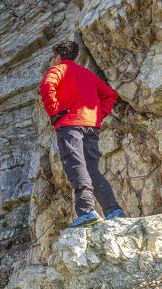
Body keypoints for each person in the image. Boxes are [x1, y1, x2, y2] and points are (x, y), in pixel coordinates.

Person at [40, 40, 126, 228]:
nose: (50, 62)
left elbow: (47, 87)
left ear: (59, 57)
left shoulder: (58, 70)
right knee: (92, 169)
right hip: (91, 126)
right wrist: (98, 115)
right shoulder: (87, 74)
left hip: (70, 125)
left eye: (51, 58)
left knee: (76, 166)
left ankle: (87, 212)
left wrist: (55, 112)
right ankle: (113, 210)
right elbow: (110, 95)